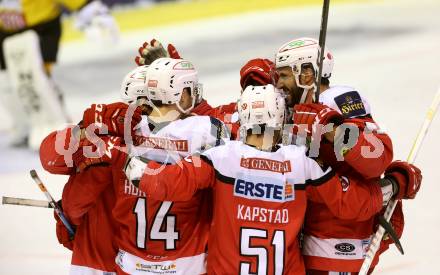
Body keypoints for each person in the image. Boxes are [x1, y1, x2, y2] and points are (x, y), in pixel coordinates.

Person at [127, 84, 418, 274]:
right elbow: (354, 204)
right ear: (280, 120)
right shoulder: (301, 164)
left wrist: (126, 159)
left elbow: (165, 182)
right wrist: (395, 184)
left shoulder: (221, 158)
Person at [42, 58, 230, 274]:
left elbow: (54, 161)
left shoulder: (118, 135)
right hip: (189, 262)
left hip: (130, 262)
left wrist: (86, 129)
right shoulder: (207, 130)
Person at [274, 37, 422, 274]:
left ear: (306, 75)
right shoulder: (285, 108)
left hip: (340, 247)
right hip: (301, 245)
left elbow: (377, 155)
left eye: (283, 75)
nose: (277, 84)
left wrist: (330, 128)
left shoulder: (338, 101)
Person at [39, 65, 147, 274]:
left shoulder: (104, 138)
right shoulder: (182, 137)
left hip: (99, 259)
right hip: (155, 261)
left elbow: (51, 161)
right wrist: (85, 129)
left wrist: (69, 217)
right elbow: (49, 156)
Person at [1, 0, 117, 148]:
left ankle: (54, 125)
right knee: (6, 83)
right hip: (4, 32)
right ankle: (24, 123)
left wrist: (91, 10)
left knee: (36, 78)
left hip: (40, 26)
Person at [134, 39, 275, 139]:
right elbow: (207, 118)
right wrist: (173, 81)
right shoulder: (230, 114)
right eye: (250, 88)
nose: (256, 95)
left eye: (263, 87)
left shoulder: (292, 125)